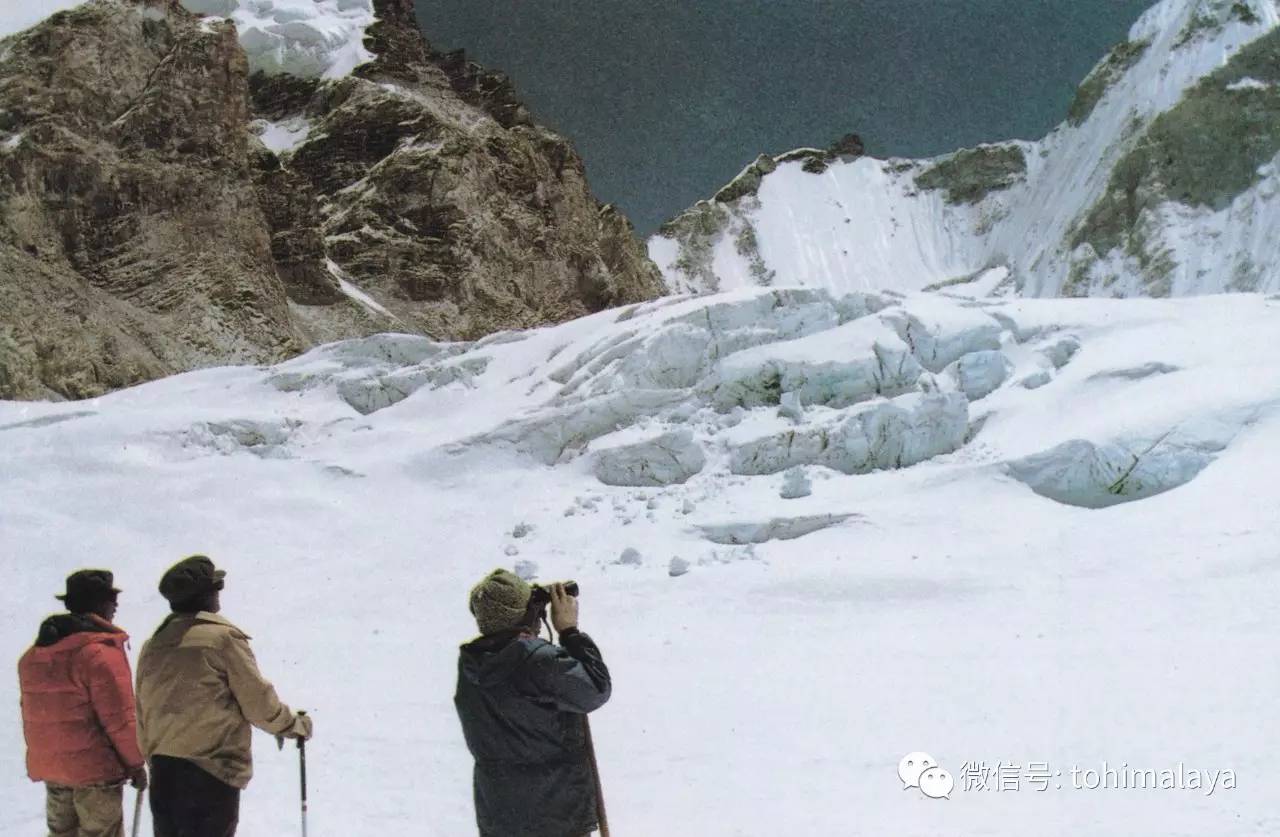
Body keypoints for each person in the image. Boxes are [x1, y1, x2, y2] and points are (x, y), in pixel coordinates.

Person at [135, 555, 312, 837]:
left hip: (164, 772)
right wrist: (293, 726)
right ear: (207, 596)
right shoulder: (222, 640)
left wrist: (155, 761)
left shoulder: (152, 646)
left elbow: (142, 714)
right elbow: (258, 702)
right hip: (210, 773)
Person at [455, 569, 612, 837]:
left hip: (499, 814)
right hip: (554, 813)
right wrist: (570, 632)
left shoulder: (473, 664)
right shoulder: (534, 660)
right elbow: (595, 690)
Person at [18, 569, 148, 837]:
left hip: (53, 770)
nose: (116, 605)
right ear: (98, 604)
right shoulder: (100, 654)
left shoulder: (33, 656)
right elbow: (120, 720)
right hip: (95, 775)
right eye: (111, 599)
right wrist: (136, 764)